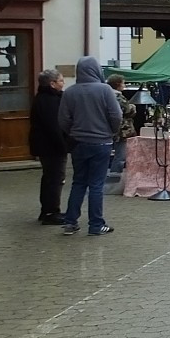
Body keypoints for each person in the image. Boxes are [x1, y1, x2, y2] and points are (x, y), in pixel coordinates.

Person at [58, 56, 121, 236]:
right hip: (102, 143)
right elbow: (116, 115)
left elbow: (63, 119)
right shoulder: (105, 90)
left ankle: (70, 223)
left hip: (78, 143)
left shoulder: (70, 92)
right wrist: (112, 132)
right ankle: (95, 225)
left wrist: (73, 132)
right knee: (96, 185)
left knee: (78, 182)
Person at [29, 68, 67, 224]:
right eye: (61, 81)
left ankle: (47, 210)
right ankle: (51, 212)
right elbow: (54, 126)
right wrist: (64, 145)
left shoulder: (45, 97)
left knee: (50, 178)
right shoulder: (48, 100)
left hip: (46, 145)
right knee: (54, 179)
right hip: (51, 146)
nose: (63, 84)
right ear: (52, 84)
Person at [106, 74, 136, 176]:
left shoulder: (106, 95)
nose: (124, 85)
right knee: (121, 156)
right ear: (118, 84)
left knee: (109, 154)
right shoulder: (118, 96)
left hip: (108, 129)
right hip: (122, 130)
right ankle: (114, 176)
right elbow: (128, 110)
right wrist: (133, 107)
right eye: (123, 83)